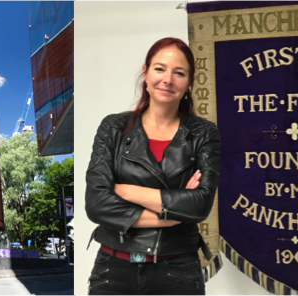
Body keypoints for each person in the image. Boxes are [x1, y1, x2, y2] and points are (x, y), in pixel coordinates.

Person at [84, 37, 219, 296]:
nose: (168, 79)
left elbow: (200, 204)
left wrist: (125, 191)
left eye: (179, 73)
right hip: (113, 271)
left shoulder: (204, 133)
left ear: (189, 82)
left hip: (178, 271)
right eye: (160, 69)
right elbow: (97, 204)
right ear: (146, 73)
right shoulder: (113, 127)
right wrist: (172, 216)